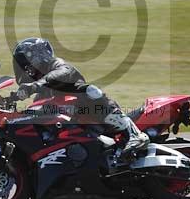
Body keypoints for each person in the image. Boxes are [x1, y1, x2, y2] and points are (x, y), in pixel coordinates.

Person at [12, 37, 149, 156]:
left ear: (37, 57)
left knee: (89, 91)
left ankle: (134, 134)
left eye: (25, 63)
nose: (24, 68)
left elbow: (60, 74)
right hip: (81, 132)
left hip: (97, 119)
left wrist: (36, 85)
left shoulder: (59, 66)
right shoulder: (42, 93)